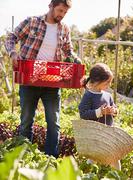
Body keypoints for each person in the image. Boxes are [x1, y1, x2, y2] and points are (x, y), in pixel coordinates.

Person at [5, 0, 80, 157]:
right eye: (60, 10)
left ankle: (50, 160)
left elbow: (68, 52)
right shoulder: (32, 22)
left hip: (52, 82)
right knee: (26, 121)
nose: (62, 15)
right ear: (50, 6)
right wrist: (13, 53)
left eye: (65, 12)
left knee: (54, 123)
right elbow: (11, 37)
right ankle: (23, 157)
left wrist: (78, 62)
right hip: (29, 80)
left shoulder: (64, 29)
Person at [78, 63, 120, 170]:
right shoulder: (88, 96)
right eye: (107, 82)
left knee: (115, 157)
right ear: (97, 81)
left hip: (108, 132)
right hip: (95, 133)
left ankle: (118, 176)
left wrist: (113, 111)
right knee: (93, 157)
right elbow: (83, 113)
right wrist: (100, 112)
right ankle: (86, 175)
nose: (109, 85)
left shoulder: (108, 95)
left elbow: (115, 109)